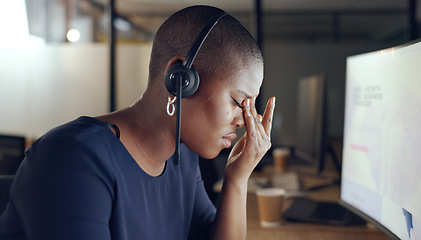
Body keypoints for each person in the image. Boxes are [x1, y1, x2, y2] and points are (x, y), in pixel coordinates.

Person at [0, 5, 275, 240]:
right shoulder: (71, 160)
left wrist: (237, 179)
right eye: (240, 102)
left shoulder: (183, 160)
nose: (244, 121)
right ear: (180, 80)